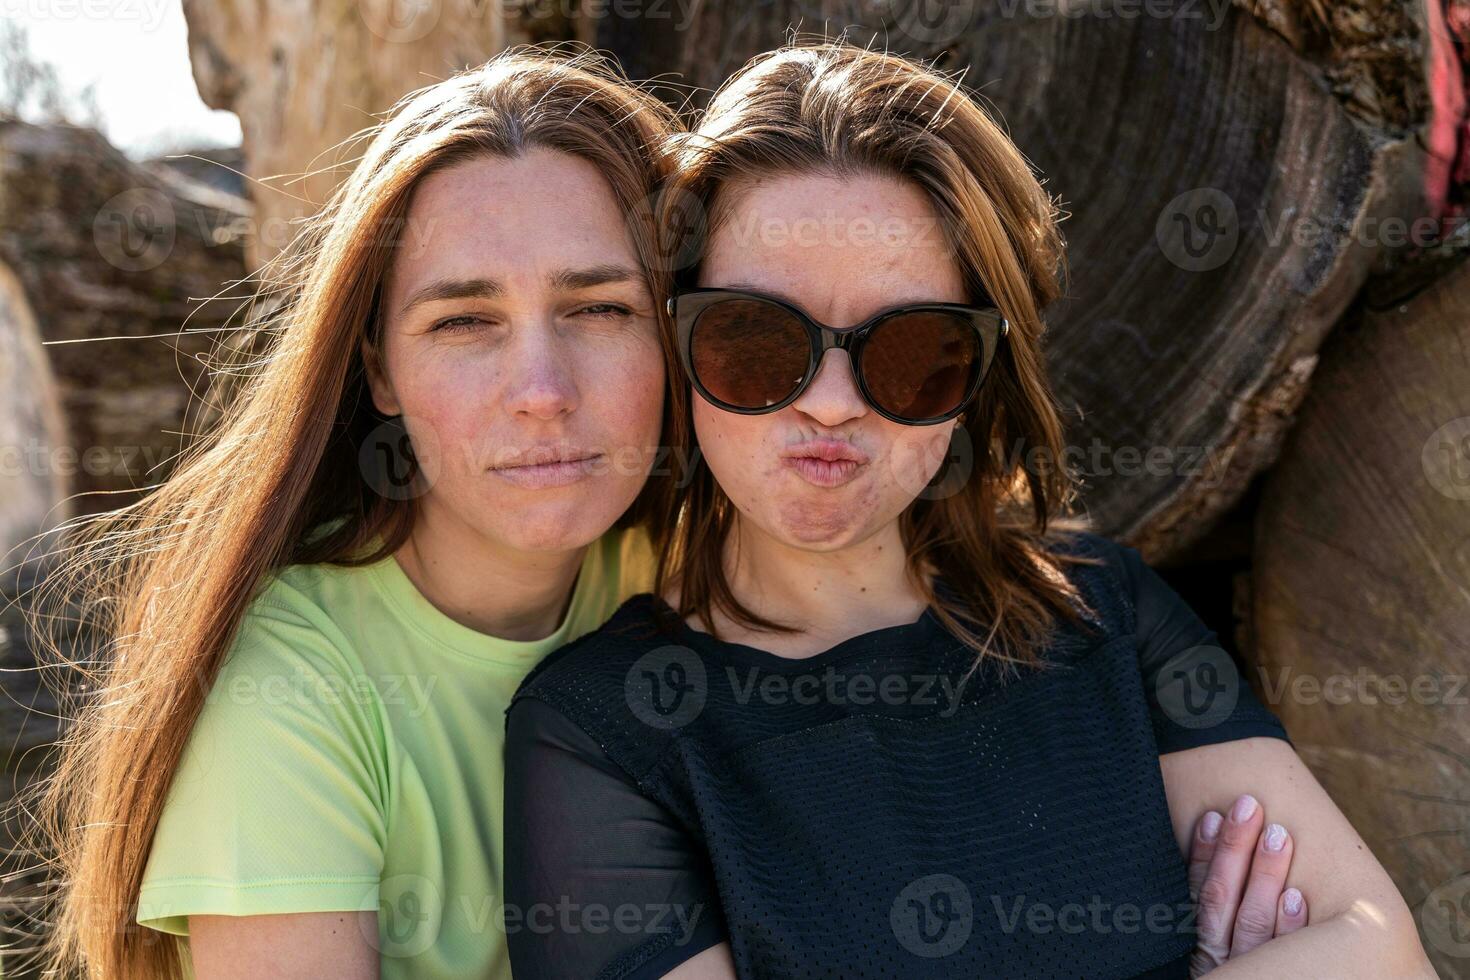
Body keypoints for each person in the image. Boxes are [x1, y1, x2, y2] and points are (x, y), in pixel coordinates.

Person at [502, 41, 1435, 979]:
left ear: (979, 378)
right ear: (680, 339)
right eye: (757, 338)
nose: (831, 403)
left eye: (909, 351)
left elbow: (1382, 949)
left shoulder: (1108, 613)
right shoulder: (600, 732)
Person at [33, 47, 679, 980]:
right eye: (464, 322)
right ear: (377, 368)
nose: (542, 390)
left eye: (601, 308)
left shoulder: (692, 577)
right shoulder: (287, 689)